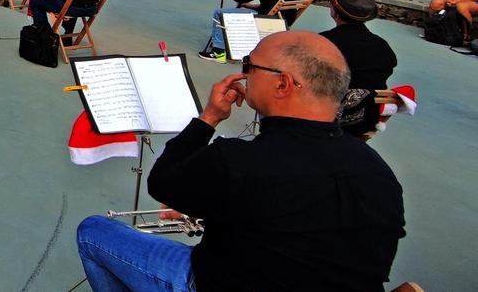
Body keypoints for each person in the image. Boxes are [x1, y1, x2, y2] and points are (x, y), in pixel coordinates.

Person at [78, 32, 405, 291]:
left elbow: (162, 182)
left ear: (283, 83)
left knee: (93, 231)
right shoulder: (378, 171)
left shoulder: (237, 161)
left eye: (250, 66)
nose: (243, 74)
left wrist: (208, 118)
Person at [321, 0, 398, 137]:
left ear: (334, 11)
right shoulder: (383, 48)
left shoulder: (323, 43)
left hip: (325, 121)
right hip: (365, 122)